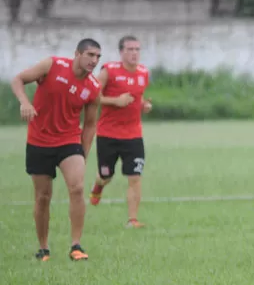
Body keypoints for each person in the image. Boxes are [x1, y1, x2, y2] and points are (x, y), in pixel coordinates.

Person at [11, 39, 103, 261]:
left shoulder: (93, 87)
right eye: (90, 55)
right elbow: (18, 80)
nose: (94, 60)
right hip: (39, 140)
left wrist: (83, 152)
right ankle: (43, 249)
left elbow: (90, 125)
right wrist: (25, 102)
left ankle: (76, 246)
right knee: (43, 196)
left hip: (68, 141)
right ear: (77, 54)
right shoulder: (52, 65)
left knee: (77, 188)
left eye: (98, 56)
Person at [89, 35, 152, 228]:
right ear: (121, 52)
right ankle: (99, 185)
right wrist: (115, 101)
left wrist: (143, 105)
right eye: (130, 49)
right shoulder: (109, 71)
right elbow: (92, 95)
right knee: (106, 176)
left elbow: (136, 98)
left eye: (137, 49)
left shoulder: (143, 73)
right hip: (108, 135)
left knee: (135, 177)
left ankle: (132, 220)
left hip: (133, 136)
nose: (134, 53)